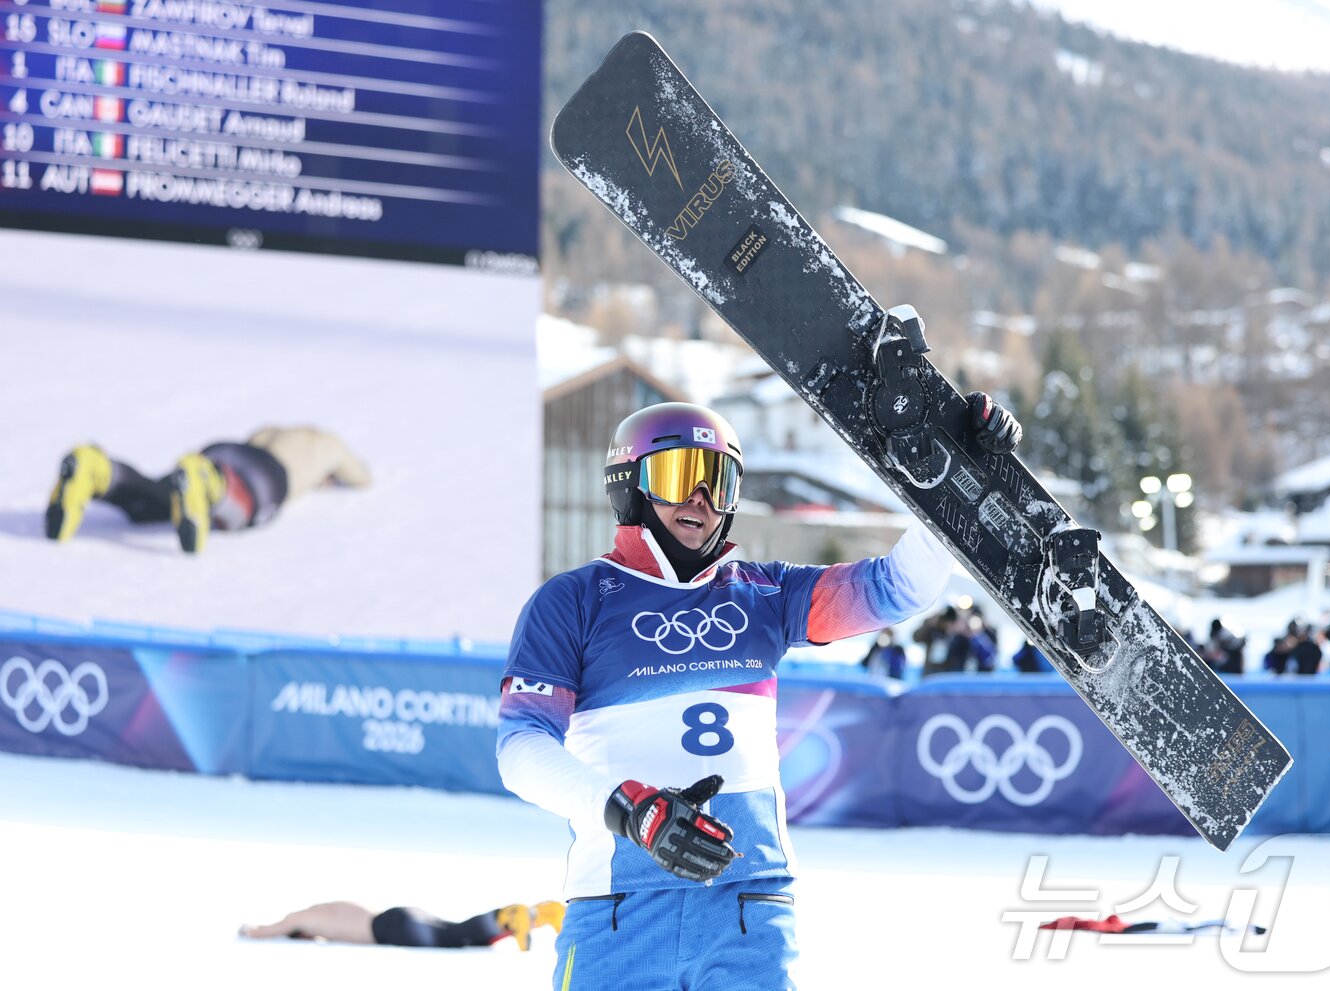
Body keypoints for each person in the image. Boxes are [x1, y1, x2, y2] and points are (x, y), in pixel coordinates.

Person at [495, 395, 1022, 990]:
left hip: (751, 906)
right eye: (678, 477)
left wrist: (957, 483)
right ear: (630, 486)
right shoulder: (572, 600)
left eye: (718, 482)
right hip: (619, 906)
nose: (700, 499)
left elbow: (901, 587)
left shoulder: (764, 594)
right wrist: (631, 809)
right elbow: (520, 751)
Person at [44, 426, 371, 554]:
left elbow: (249, 446)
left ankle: (99, 470)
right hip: (266, 473)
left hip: (221, 452)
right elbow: (361, 478)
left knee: (158, 501)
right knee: (248, 507)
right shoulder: (327, 444)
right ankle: (209, 483)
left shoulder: (270, 430)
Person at [239, 898, 564, 951]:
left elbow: (282, 925)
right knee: (461, 933)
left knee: (455, 937)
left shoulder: (305, 919)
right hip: (395, 917)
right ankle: (538, 914)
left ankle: (512, 916)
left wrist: (255, 930)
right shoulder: (325, 909)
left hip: (391, 929)